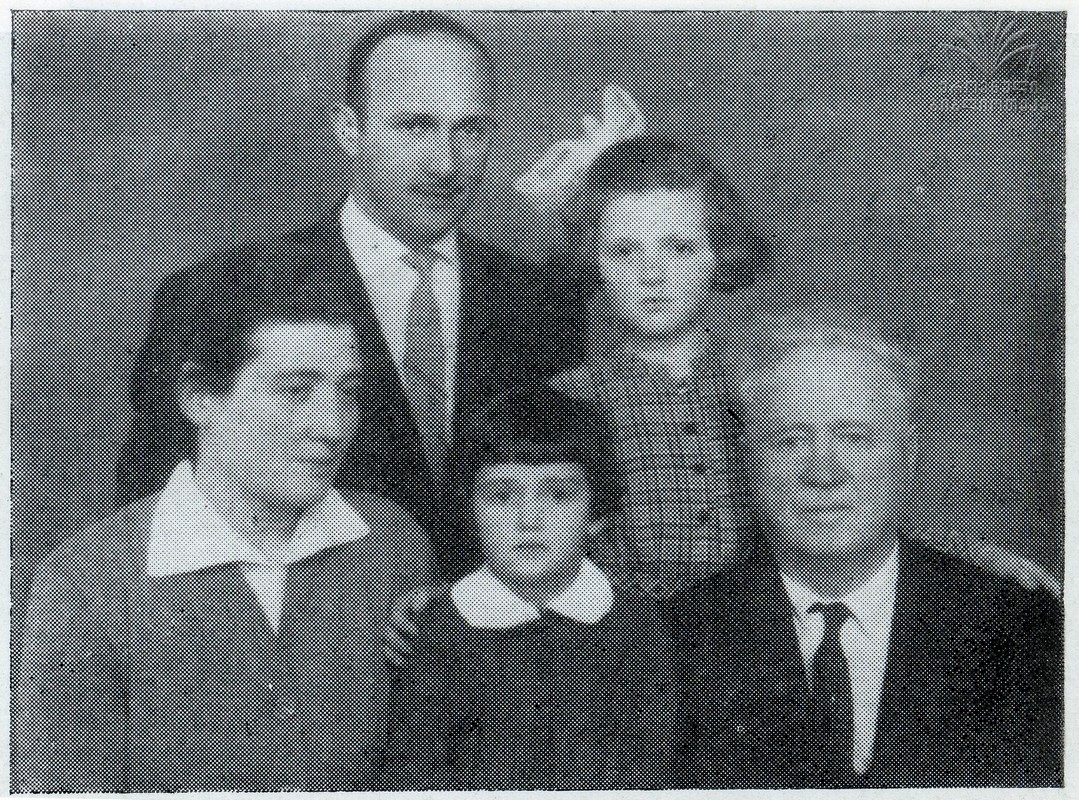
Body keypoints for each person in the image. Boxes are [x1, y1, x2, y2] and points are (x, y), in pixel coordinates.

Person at [116, 12, 612, 577]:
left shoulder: (542, 302)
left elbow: (589, 520)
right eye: (416, 126)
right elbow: (151, 550)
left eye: (467, 129)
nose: (445, 157)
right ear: (350, 132)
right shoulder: (222, 298)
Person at [13, 248, 434, 792]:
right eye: (297, 390)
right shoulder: (85, 587)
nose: (332, 424)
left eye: (347, 392)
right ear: (199, 399)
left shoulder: (395, 553)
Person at [668, 312, 1063, 789]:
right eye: (789, 441)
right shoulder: (672, 638)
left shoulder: (1018, 628)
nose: (823, 472)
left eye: (855, 439)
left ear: (908, 456)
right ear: (745, 461)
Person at [381, 385, 684, 790]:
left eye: (558, 496)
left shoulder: (635, 625)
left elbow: (650, 762)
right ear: (470, 512)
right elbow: (416, 770)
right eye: (502, 497)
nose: (529, 518)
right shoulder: (439, 629)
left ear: (596, 516)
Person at [552, 133, 765, 596]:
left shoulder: (764, 388)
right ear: (593, 262)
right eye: (624, 252)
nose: (652, 274)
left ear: (719, 256)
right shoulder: (565, 402)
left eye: (679, 248)